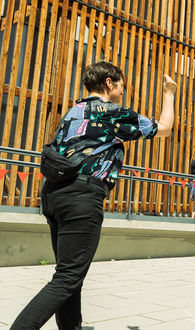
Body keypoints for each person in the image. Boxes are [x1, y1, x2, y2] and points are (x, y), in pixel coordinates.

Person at [11, 61, 177, 330]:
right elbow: (164, 128)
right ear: (109, 83)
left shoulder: (73, 111)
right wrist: (169, 93)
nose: (123, 92)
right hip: (82, 197)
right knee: (67, 278)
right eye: (122, 86)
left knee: (69, 276)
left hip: (54, 196)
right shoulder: (112, 113)